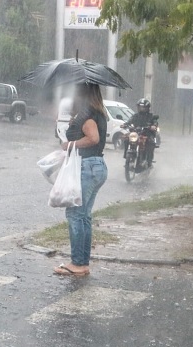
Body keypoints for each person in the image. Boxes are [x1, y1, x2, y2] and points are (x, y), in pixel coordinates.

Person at [53, 82, 109, 277]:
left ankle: (77, 263)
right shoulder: (96, 112)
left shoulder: (87, 113)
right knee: (84, 215)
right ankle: (82, 262)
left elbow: (92, 138)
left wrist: (70, 144)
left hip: (87, 166)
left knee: (75, 214)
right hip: (96, 165)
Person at [122, 98, 158, 167]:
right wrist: (125, 124)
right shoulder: (135, 116)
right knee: (127, 139)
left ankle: (149, 161)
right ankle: (127, 157)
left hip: (147, 134)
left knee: (150, 143)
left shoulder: (151, 116)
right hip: (136, 133)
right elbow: (130, 120)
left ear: (147, 108)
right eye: (140, 107)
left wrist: (153, 126)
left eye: (143, 107)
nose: (141, 109)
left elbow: (155, 122)